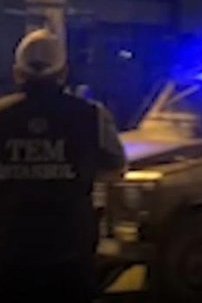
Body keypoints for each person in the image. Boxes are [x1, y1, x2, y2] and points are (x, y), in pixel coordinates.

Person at [0, 29, 126, 303]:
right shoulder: (92, 116)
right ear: (64, 72)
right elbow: (116, 168)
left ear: (17, 72)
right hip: (70, 255)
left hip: (9, 256)